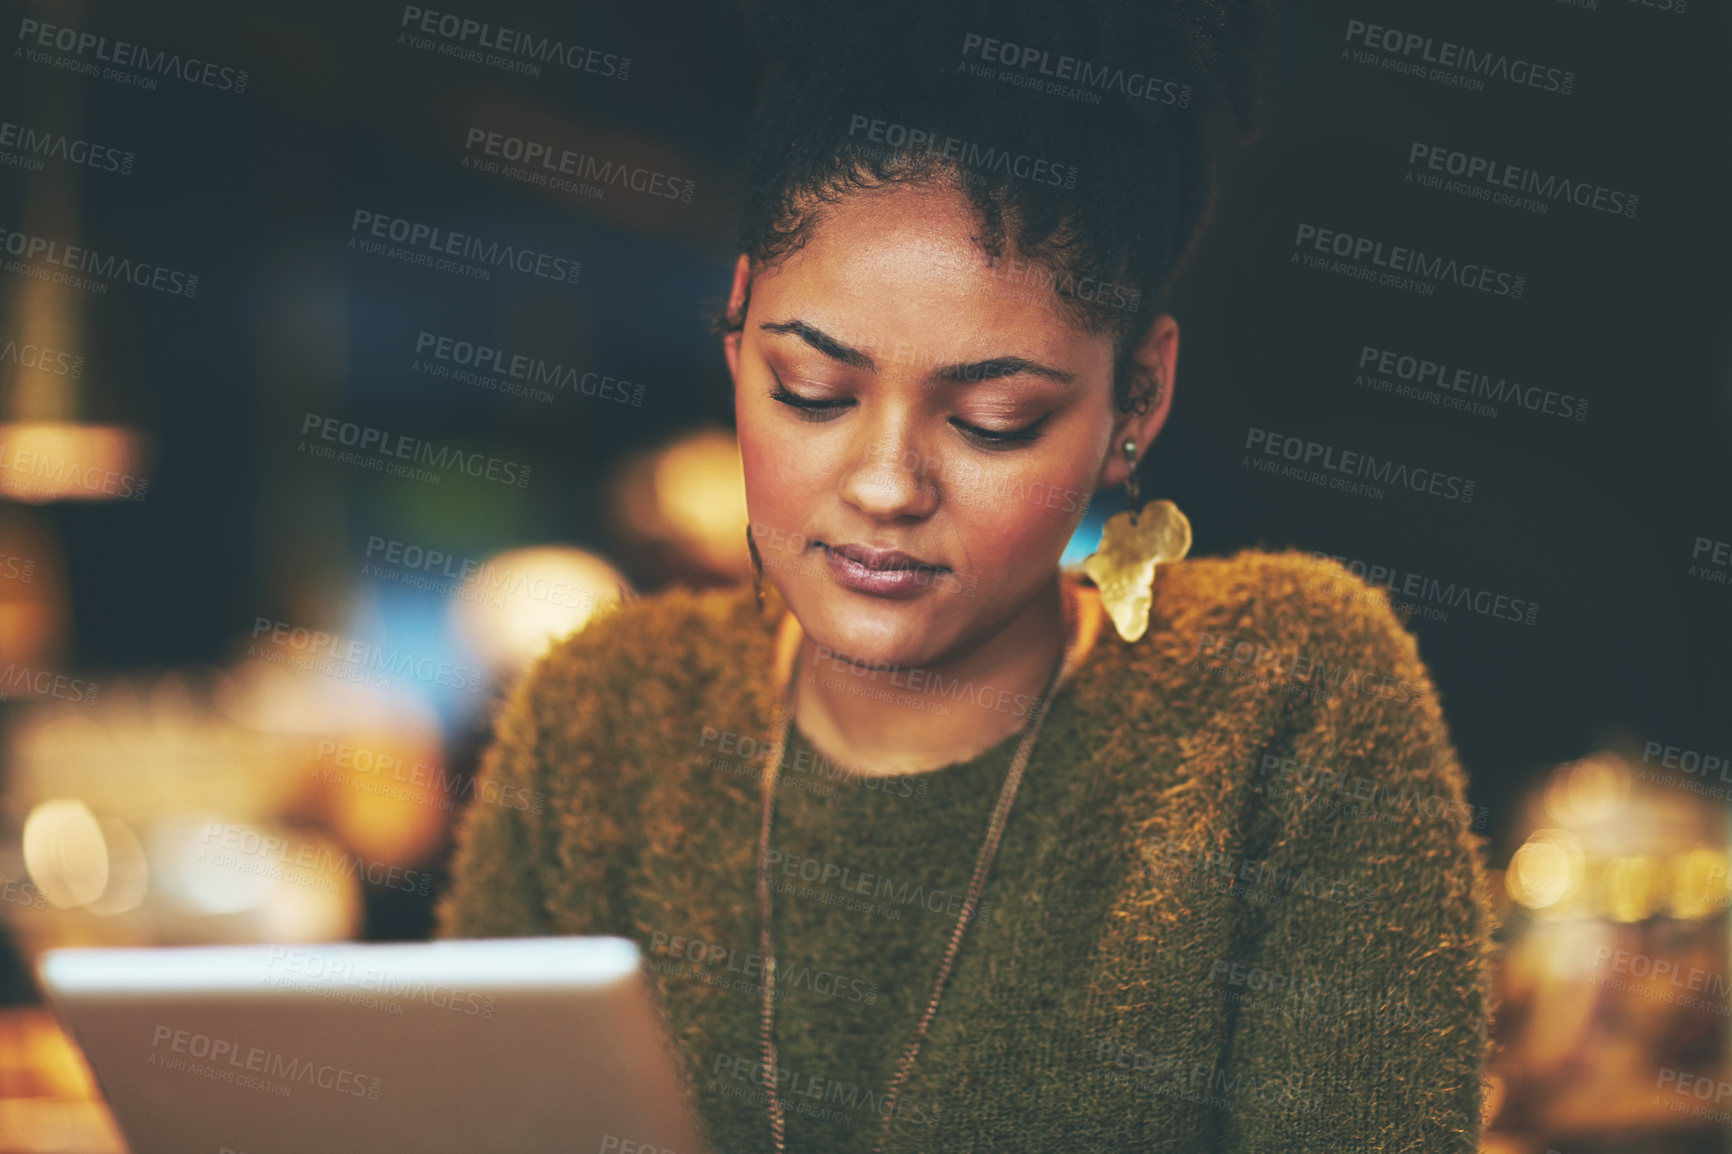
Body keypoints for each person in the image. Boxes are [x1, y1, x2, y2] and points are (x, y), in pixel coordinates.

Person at [437, 0, 1496, 1150]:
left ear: (1135, 397)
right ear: (739, 337)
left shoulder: (1281, 698)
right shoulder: (602, 712)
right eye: (811, 391)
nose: (886, 483)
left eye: (995, 419)